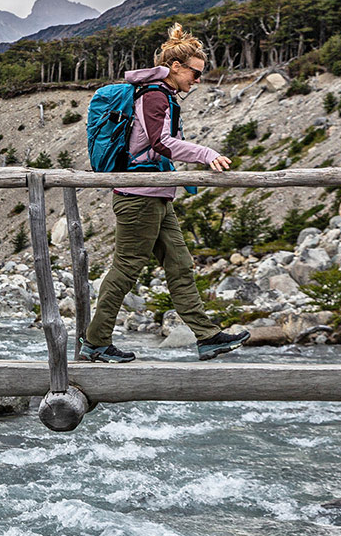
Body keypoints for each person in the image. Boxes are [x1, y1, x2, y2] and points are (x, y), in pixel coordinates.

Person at [79, 23, 251, 363]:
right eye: (195, 73)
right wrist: (206, 154)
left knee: (180, 264)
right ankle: (96, 341)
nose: (197, 81)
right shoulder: (155, 96)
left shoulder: (163, 95)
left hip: (157, 193)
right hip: (138, 195)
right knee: (127, 268)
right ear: (175, 67)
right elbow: (161, 142)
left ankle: (207, 337)